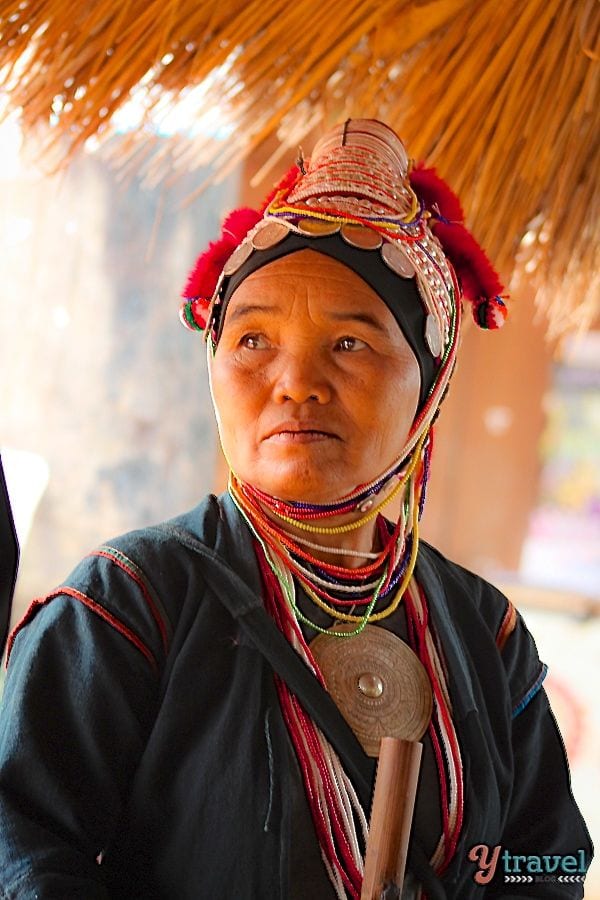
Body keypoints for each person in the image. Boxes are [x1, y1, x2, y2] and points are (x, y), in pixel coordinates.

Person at [0, 119, 592, 899]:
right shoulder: (125, 606)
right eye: (252, 340)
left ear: (429, 388)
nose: (295, 383)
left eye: (350, 344)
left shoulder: (488, 636)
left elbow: (545, 864)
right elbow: (25, 851)